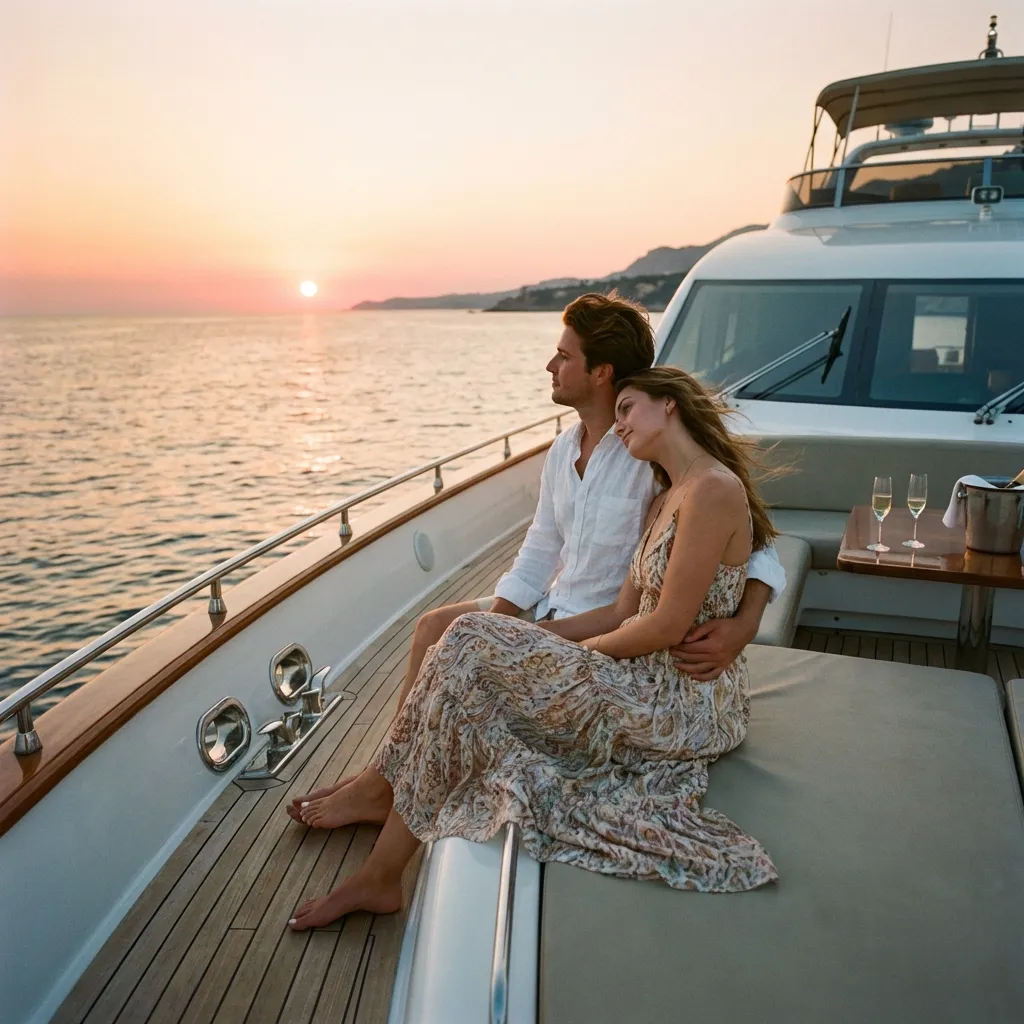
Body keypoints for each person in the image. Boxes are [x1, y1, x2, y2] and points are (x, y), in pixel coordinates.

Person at [288, 365, 778, 929]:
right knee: (467, 642)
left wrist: (563, 655)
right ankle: (381, 867)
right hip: (640, 669)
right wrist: (530, 640)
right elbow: (622, 612)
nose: (619, 426)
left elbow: (666, 626)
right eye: (614, 412)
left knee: (471, 645)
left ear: (669, 404)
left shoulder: (713, 489)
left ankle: (381, 846)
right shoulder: (665, 497)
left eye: (628, 409)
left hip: (681, 697)